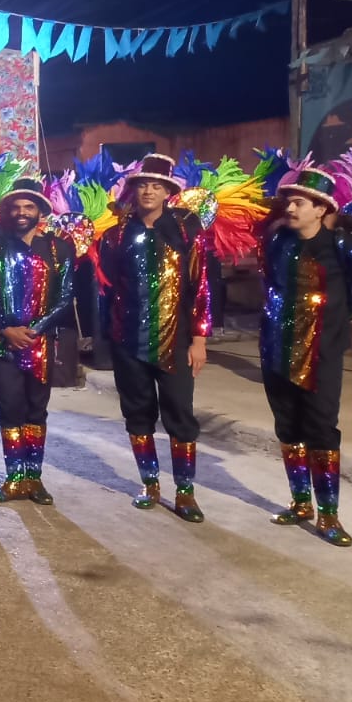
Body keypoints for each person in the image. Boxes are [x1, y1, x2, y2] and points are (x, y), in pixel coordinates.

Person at [98, 153, 212, 522]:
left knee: (180, 413)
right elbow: (108, 287)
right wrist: (109, 335)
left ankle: (185, 491)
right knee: (137, 413)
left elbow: (201, 287)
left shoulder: (186, 232)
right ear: (133, 191)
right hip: (128, 340)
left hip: (175, 340)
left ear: (167, 192)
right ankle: (149, 484)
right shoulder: (116, 235)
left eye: (156, 186)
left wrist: (199, 340)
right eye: (143, 185)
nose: (148, 191)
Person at [260, 167, 352, 546]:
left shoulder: (344, 245)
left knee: (322, 428)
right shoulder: (278, 241)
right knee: (287, 426)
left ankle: (329, 515)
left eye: (299, 203)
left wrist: (326, 323)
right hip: (276, 349)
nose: (290, 209)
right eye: (289, 202)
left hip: (322, 353)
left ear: (321, 209)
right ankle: (301, 503)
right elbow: (270, 283)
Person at [0, 175, 76, 505]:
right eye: (16, 207)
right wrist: (6, 328)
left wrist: (35, 329)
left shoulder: (58, 248)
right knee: (9, 410)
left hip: (40, 344)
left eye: (28, 207)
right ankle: (14, 479)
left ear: (40, 211)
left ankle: (34, 479)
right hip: (4, 343)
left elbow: (65, 297)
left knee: (36, 411)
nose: (22, 212)